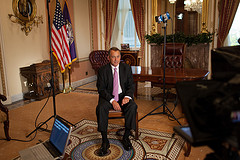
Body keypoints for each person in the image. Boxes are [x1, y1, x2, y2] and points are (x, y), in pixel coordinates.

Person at [96, 47, 137, 156]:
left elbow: (131, 85)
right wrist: (112, 101)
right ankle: (105, 141)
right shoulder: (102, 70)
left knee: (132, 106)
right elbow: (101, 89)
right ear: (109, 58)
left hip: (123, 96)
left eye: (118, 56)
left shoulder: (126, 68)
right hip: (108, 97)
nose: (116, 59)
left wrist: (127, 96)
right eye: (113, 57)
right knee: (100, 108)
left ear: (120, 57)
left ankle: (126, 137)